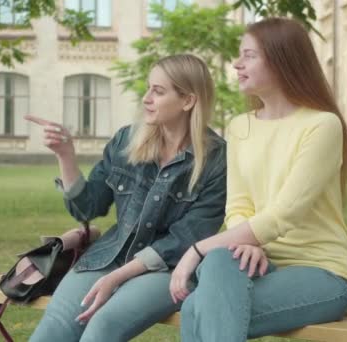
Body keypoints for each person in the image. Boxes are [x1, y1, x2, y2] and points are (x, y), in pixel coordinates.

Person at [169, 17, 347, 341]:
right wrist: (251, 245)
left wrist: (196, 250)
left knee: (197, 306)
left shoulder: (322, 126)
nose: (237, 64)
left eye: (249, 55)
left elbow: (287, 212)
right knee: (219, 261)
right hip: (257, 265)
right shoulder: (241, 126)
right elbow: (238, 204)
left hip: (320, 272)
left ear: (282, 59)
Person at [27, 54, 227, 341]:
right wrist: (65, 155)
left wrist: (117, 278)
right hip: (109, 256)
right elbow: (87, 207)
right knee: (53, 328)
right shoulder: (126, 140)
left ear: (188, 101)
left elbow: (185, 238)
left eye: (158, 91)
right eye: (148, 88)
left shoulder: (216, 159)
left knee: (102, 327)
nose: (146, 98)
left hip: (168, 270)